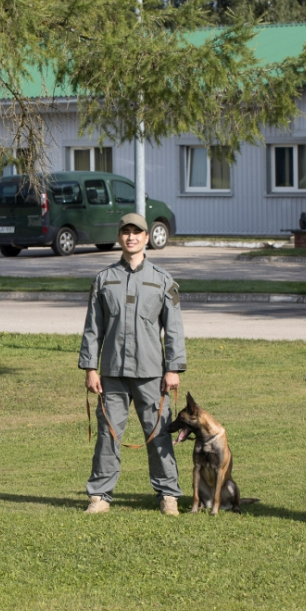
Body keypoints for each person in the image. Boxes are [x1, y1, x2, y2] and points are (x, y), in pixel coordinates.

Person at [79, 213, 186, 516]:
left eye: (137, 232)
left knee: (159, 434)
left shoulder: (163, 280)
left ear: (146, 238)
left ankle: (168, 495)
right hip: (112, 373)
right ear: (119, 237)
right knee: (107, 435)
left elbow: (174, 329)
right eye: (126, 232)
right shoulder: (103, 279)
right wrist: (90, 368)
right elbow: (93, 328)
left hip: (152, 374)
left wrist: (173, 368)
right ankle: (99, 496)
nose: (131, 237)